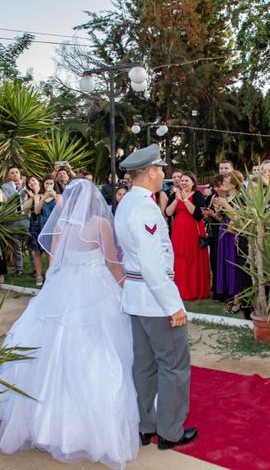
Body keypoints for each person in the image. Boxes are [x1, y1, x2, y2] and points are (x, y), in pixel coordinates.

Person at [0, 179, 139, 469]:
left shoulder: (61, 225)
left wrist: (53, 289)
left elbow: (55, 264)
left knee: (54, 347)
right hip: (95, 285)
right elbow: (112, 263)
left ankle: (49, 424)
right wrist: (126, 288)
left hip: (64, 284)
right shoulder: (100, 223)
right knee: (100, 348)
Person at [114, 144, 198, 450]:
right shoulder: (145, 207)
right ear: (150, 172)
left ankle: (145, 425)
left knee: (144, 365)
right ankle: (171, 431)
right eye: (161, 170)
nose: (164, 174)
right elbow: (151, 264)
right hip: (154, 300)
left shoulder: (126, 204)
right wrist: (173, 305)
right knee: (174, 365)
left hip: (136, 298)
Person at [165, 170, 210, 300]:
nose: (183, 182)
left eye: (186, 180)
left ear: (193, 182)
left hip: (194, 230)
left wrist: (185, 200)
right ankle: (179, 289)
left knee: (192, 258)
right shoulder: (174, 195)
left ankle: (194, 290)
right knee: (179, 257)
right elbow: (167, 213)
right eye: (182, 180)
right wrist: (176, 199)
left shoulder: (197, 195)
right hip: (179, 231)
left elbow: (198, 215)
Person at [210, 171, 248, 314]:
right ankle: (230, 297)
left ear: (233, 183)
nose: (223, 183)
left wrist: (226, 205)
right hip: (223, 231)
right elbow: (221, 217)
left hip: (234, 234)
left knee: (234, 266)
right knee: (225, 265)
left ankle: (238, 301)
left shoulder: (240, 198)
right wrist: (217, 209)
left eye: (226, 181)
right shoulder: (226, 196)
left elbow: (240, 219)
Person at [1, 166, 29, 277]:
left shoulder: (26, 185)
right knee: (17, 246)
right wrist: (18, 190)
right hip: (13, 219)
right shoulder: (5, 187)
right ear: (8, 176)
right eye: (12, 173)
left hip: (26, 218)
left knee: (30, 244)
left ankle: (35, 269)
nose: (15, 174)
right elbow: (8, 200)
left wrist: (23, 187)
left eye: (16, 172)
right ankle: (19, 268)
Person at [22, 176, 45, 286]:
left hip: (46, 223)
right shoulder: (28, 195)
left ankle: (51, 274)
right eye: (30, 181)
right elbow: (25, 209)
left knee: (50, 252)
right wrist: (32, 197)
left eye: (34, 180)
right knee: (37, 251)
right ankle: (38, 275)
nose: (31, 182)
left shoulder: (45, 192)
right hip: (35, 225)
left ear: (39, 182)